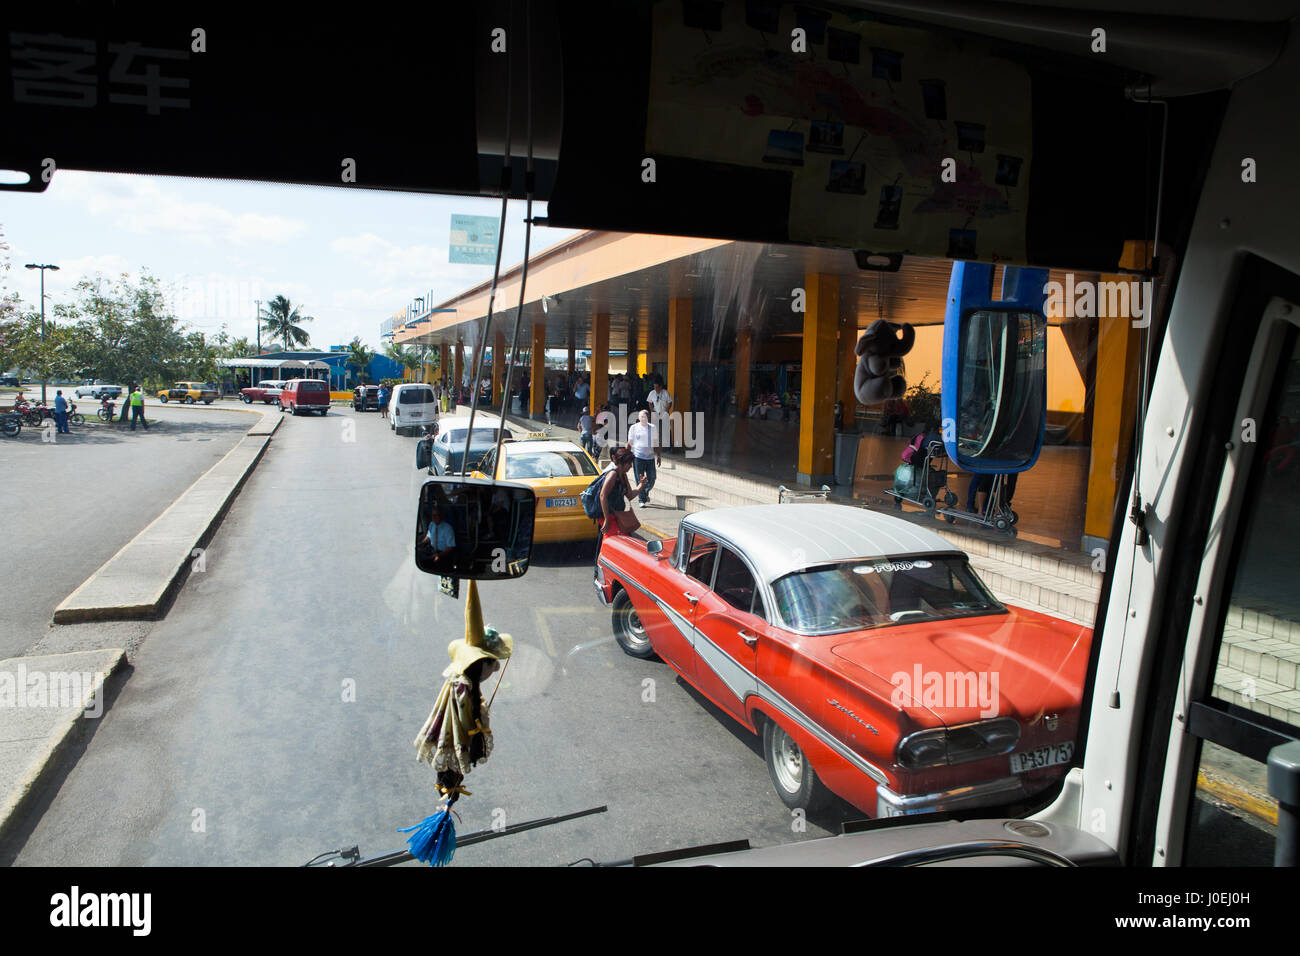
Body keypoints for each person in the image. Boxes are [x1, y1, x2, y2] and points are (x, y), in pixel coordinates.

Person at [594, 447, 647, 573]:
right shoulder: (612, 474)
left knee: (617, 544)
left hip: (618, 517)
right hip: (609, 516)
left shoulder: (623, 475)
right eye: (629, 463)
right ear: (622, 462)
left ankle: (609, 570)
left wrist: (641, 485)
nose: (630, 466)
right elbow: (603, 496)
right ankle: (601, 571)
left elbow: (630, 495)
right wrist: (606, 519)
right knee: (611, 545)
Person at [627, 408, 658, 506]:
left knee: (652, 478)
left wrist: (659, 456)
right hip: (638, 457)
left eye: (646, 416)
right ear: (639, 418)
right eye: (642, 416)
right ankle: (641, 500)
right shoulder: (634, 428)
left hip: (650, 458)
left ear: (648, 417)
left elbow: (657, 442)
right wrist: (626, 457)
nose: (644, 418)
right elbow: (629, 443)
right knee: (639, 479)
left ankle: (645, 492)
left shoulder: (653, 427)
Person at [425, 503, 457, 573]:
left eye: (436, 515)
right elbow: (428, 536)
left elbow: (450, 547)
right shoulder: (431, 524)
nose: (434, 517)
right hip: (432, 551)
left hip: (444, 554)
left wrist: (439, 555)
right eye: (433, 515)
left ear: (441, 516)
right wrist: (421, 543)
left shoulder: (448, 528)